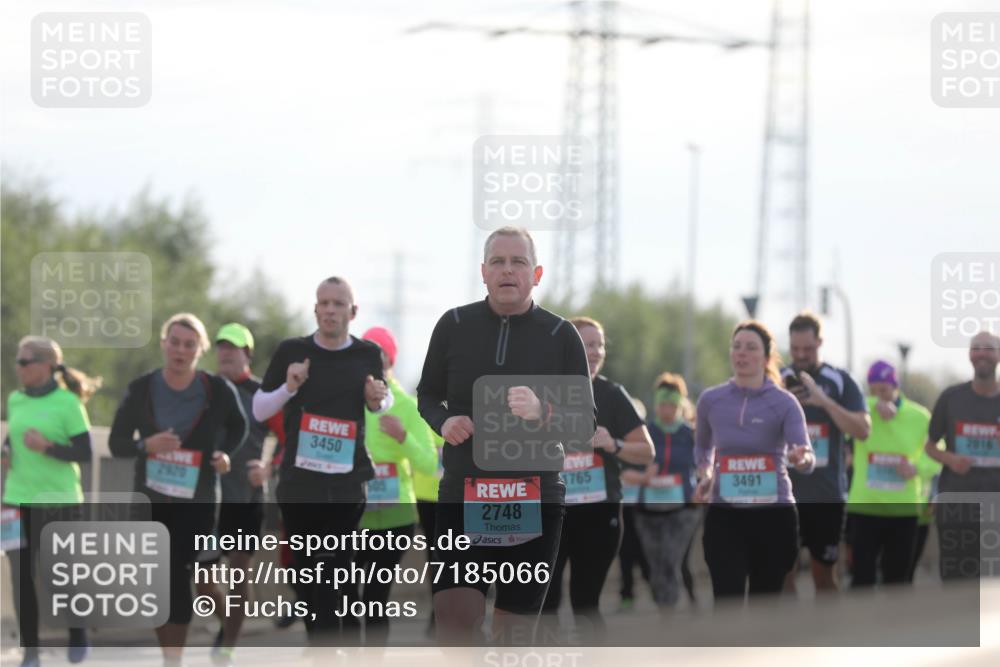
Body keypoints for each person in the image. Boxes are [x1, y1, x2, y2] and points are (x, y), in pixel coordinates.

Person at [417, 226, 595, 645]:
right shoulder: (454, 324)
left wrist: (541, 411)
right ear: (483, 271)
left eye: (518, 262)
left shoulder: (560, 335)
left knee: (512, 636)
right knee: (455, 625)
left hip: (534, 499)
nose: (507, 270)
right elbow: (427, 395)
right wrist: (442, 422)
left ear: (537, 272)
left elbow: (584, 425)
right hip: (465, 495)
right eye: (498, 261)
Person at [251, 277, 390, 646]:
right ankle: (327, 643)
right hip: (300, 484)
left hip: (347, 483)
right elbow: (259, 407)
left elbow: (383, 402)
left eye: (338, 303)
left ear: (353, 311)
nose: (330, 310)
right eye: (324, 303)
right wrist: (290, 387)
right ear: (315, 309)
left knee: (334, 573)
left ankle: (327, 650)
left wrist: (375, 400)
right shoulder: (291, 351)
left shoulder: (367, 354)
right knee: (304, 577)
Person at [109, 314, 248, 666]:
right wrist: (146, 446)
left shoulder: (217, 390)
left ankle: (177, 658)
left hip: (197, 501)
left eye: (189, 344)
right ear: (163, 343)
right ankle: (171, 654)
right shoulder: (142, 388)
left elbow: (239, 427)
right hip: (151, 499)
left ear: (199, 351)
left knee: (182, 578)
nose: (181, 350)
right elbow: (116, 442)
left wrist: (223, 454)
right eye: (175, 342)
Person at [541, 317, 653, 634]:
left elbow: (646, 452)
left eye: (599, 344)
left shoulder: (612, 395)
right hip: (549, 512)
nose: (594, 351)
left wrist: (612, 443)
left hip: (598, 513)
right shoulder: (541, 393)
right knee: (544, 604)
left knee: (586, 604)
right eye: (585, 344)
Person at [693, 321, 814, 600]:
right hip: (725, 516)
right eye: (736, 347)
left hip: (774, 516)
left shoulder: (784, 403)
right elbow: (702, 449)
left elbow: (805, 453)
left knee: (765, 606)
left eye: (751, 348)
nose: (742, 353)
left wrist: (801, 457)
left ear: (767, 357)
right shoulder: (711, 400)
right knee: (727, 602)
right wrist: (705, 475)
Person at [2, 336, 100, 667]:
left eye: (24, 362)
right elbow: (12, 436)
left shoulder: (69, 404)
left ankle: (78, 631)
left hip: (59, 501)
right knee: (21, 577)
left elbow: (85, 453)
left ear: (45, 366)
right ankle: (31, 651)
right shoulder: (15, 399)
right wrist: (5, 451)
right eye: (18, 361)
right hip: (16, 500)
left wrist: (47, 447)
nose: (18, 367)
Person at [191, 323, 285, 665]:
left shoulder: (263, 394)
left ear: (247, 353)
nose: (226, 352)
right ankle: (227, 626)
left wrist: (269, 468)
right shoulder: (205, 389)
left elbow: (289, 440)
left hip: (245, 497)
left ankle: (228, 645)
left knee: (238, 573)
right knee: (203, 581)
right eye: (221, 346)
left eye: (233, 347)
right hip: (206, 499)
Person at [349, 326, 437, 646]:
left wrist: (403, 437)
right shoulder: (347, 399)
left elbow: (429, 463)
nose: (372, 359)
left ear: (390, 359)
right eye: (366, 352)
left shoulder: (407, 405)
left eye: (379, 353)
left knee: (374, 596)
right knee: (344, 593)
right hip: (352, 515)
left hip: (396, 517)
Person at [781, 312, 871, 592]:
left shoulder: (840, 380)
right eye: (795, 349)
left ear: (820, 342)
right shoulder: (777, 379)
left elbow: (862, 430)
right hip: (785, 495)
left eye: (808, 349)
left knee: (824, 578)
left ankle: (828, 635)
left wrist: (824, 402)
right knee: (783, 577)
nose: (801, 354)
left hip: (826, 496)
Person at [846, 361, 940, 587]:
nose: (880, 396)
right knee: (861, 578)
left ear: (895, 386)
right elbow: (846, 419)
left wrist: (917, 468)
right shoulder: (863, 411)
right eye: (874, 390)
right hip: (865, 507)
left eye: (884, 390)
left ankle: (895, 623)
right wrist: (871, 405)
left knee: (898, 581)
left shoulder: (919, 416)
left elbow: (937, 451)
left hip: (904, 509)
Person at [923, 331, 1000, 581]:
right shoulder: (951, 397)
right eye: (976, 348)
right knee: (956, 583)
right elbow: (930, 446)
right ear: (969, 354)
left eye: (988, 348)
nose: (982, 353)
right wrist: (951, 460)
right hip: (957, 505)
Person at [634, 372, 701, 612]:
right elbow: (625, 471)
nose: (667, 410)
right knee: (656, 563)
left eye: (672, 405)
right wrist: (643, 477)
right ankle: (666, 605)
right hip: (649, 511)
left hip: (684, 509)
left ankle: (670, 612)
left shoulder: (691, 434)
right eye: (663, 404)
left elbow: (705, 466)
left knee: (672, 559)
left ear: (680, 405)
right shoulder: (645, 433)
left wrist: (702, 486)